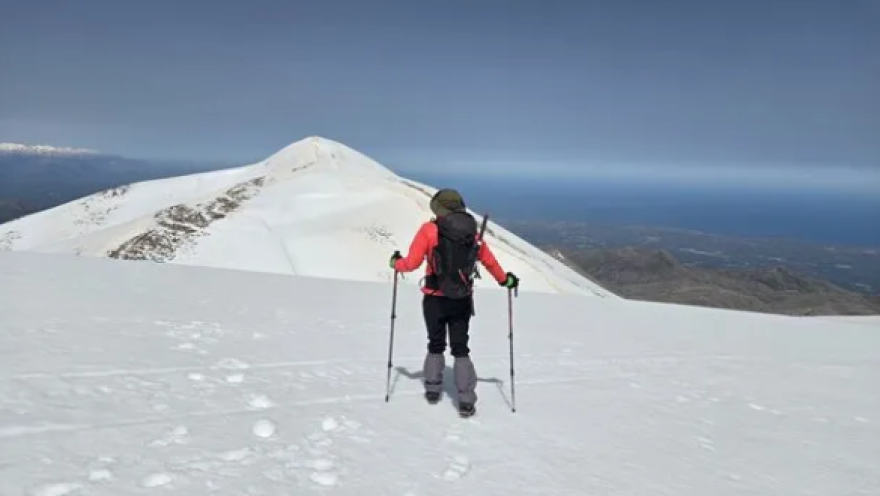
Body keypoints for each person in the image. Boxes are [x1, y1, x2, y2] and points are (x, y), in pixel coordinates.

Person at [389, 188, 519, 416]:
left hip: (434, 298)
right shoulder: (472, 234)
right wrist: (505, 281)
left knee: (435, 343)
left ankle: (432, 388)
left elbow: (411, 263)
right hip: (461, 299)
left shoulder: (429, 230)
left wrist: (395, 263)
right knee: (460, 349)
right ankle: (466, 399)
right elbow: (490, 263)